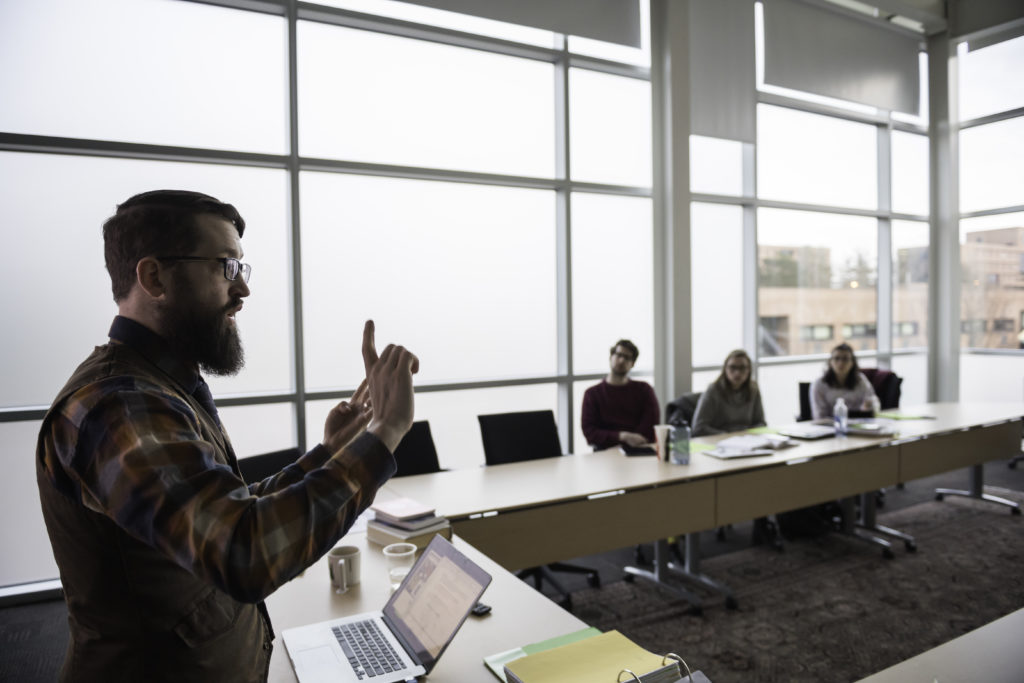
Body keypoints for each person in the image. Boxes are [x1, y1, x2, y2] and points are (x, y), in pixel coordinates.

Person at [35, 190, 418, 681]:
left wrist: (329, 453)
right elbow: (245, 552)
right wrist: (385, 432)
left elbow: (223, 511)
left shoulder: (162, 385)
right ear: (153, 278)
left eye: (241, 268)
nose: (243, 291)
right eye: (225, 267)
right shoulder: (120, 406)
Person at [581, 339, 660, 450]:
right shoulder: (592, 394)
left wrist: (634, 441)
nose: (622, 360)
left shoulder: (644, 389)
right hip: (606, 453)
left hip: (639, 450)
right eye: (619, 355)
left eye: (627, 358)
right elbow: (590, 432)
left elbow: (652, 425)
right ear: (611, 357)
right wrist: (623, 436)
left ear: (632, 364)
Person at [691, 349, 765, 436]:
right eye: (732, 367)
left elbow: (761, 423)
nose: (737, 373)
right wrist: (729, 435)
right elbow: (699, 428)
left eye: (742, 368)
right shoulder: (713, 390)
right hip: (719, 440)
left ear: (749, 370)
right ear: (725, 369)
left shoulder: (753, 389)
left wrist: (746, 434)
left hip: (746, 440)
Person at [810, 342, 878, 419]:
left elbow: (872, 401)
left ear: (852, 362)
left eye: (845, 359)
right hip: (830, 427)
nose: (841, 363)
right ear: (830, 362)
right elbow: (819, 416)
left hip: (858, 424)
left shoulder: (860, 380)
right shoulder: (819, 384)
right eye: (836, 358)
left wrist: (870, 405)